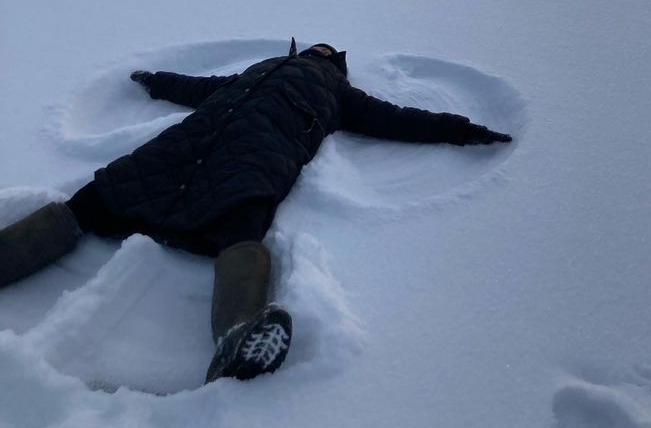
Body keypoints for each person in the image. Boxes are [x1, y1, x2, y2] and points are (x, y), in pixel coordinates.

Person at [0, 40, 511, 384]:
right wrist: (157, 80)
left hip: (260, 151)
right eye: (320, 48)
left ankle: (237, 334)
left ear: (334, 65)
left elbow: (395, 119)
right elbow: (198, 89)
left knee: (241, 222)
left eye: (327, 53)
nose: (321, 53)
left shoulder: (339, 93)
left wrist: (457, 127)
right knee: (97, 198)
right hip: (190, 140)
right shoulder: (258, 69)